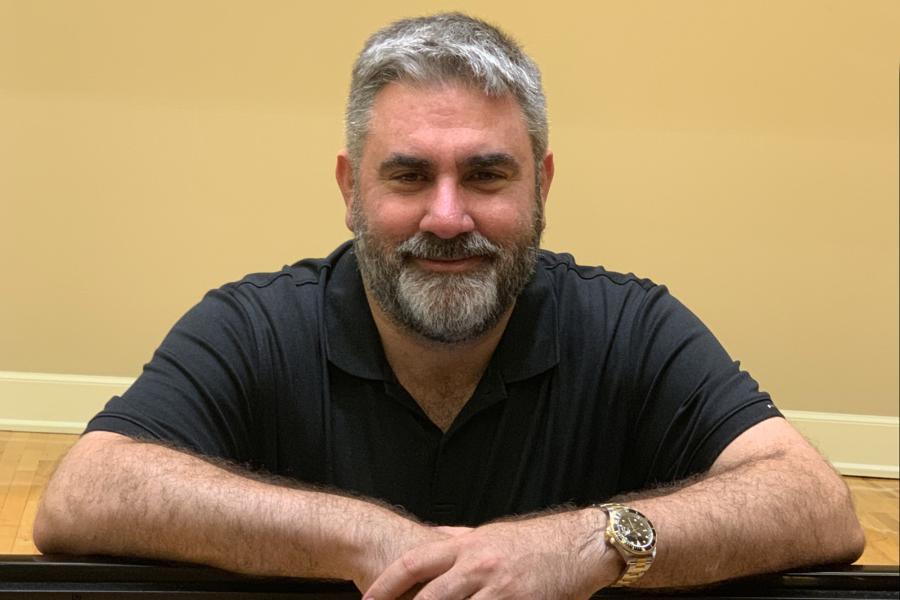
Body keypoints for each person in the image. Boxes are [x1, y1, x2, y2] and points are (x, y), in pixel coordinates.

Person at [34, 12, 864, 600]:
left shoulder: (628, 326)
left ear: (541, 185)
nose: (446, 216)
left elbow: (816, 503)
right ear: (348, 190)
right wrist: (368, 540)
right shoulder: (255, 326)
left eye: (486, 174)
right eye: (406, 175)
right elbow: (84, 494)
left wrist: (584, 545)